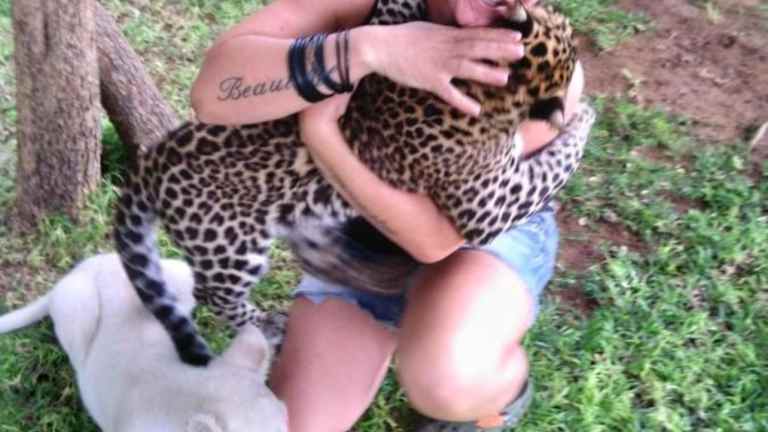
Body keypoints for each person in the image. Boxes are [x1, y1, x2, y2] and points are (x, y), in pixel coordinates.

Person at [190, 0, 587, 430]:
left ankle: (495, 404)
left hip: (481, 233)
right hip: (362, 238)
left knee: (446, 377)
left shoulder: (544, 59)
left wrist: (323, 135)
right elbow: (213, 93)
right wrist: (369, 48)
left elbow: (436, 238)